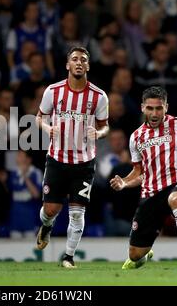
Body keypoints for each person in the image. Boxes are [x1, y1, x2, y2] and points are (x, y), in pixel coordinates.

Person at [110, 86, 177, 275]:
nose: (154, 113)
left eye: (158, 108)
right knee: (135, 254)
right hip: (151, 192)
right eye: (150, 108)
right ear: (142, 107)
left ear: (166, 107)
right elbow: (138, 172)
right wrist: (124, 183)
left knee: (176, 199)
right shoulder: (136, 137)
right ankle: (144, 254)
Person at [35, 46, 109, 268]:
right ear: (68, 65)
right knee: (51, 210)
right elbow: (39, 118)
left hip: (84, 162)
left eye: (83, 60)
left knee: (77, 213)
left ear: (87, 66)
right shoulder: (53, 91)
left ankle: (68, 256)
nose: (79, 63)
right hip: (57, 159)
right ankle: (46, 226)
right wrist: (47, 129)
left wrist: (98, 133)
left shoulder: (99, 96)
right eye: (74, 59)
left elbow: (105, 127)